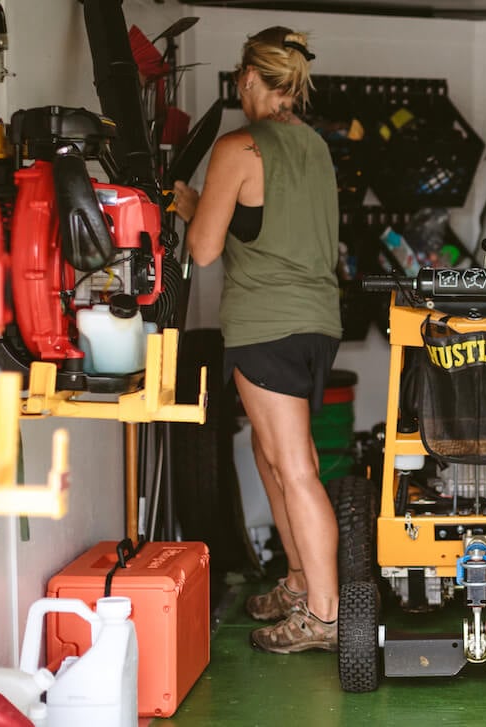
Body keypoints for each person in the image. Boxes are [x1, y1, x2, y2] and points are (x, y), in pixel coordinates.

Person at [173, 27, 341, 654]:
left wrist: (192, 209)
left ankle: (324, 615)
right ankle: (301, 583)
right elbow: (274, 225)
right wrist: (207, 207)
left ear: (248, 77)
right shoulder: (315, 147)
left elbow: (207, 248)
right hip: (317, 322)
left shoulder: (239, 145)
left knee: (293, 469)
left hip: (264, 325)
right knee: (281, 462)